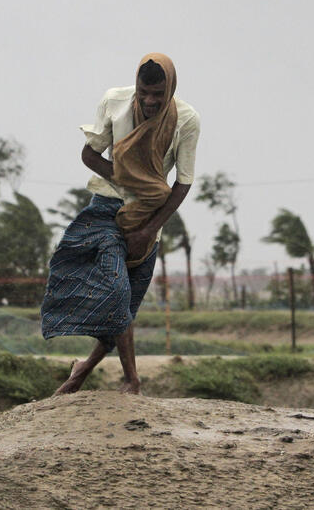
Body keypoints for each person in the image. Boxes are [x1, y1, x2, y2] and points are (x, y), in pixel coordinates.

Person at [40, 53, 200, 395]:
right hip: (106, 212)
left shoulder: (187, 120)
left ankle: (83, 368)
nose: (149, 100)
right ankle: (132, 381)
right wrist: (128, 179)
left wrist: (147, 230)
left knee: (125, 307)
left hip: (147, 217)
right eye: (144, 92)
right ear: (137, 85)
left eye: (158, 94)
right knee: (115, 292)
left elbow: (183, 183)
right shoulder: (114, 101)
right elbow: (89, 155)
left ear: (170, 89)